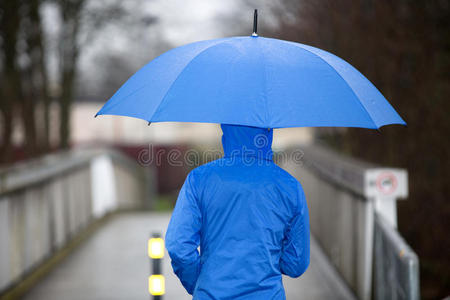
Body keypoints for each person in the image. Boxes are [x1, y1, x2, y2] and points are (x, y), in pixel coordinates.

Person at [165, 124, 310, 299]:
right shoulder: (290, 187)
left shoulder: (198, 179)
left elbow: (179, 247)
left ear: (225, 132)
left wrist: (200, 282)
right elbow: (296, 264)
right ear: (268, 132)